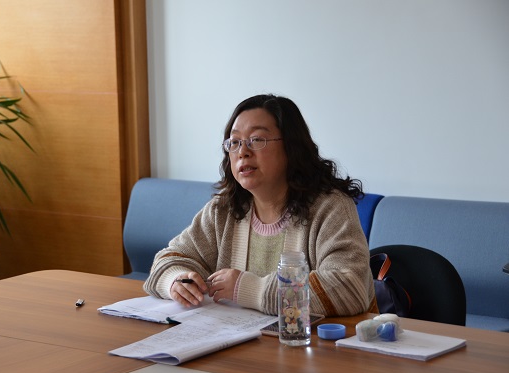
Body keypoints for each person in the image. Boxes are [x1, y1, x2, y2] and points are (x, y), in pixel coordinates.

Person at [143, 94, 376, 317]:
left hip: (314, 342)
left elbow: (349, 287)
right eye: (235, 142)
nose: (243, 152)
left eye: (256, 140)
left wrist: (249, 290)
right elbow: (168, 260)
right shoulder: (223, 210)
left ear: (291, 147)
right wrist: (176, 281)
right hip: (240, 339)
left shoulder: (330, 207)